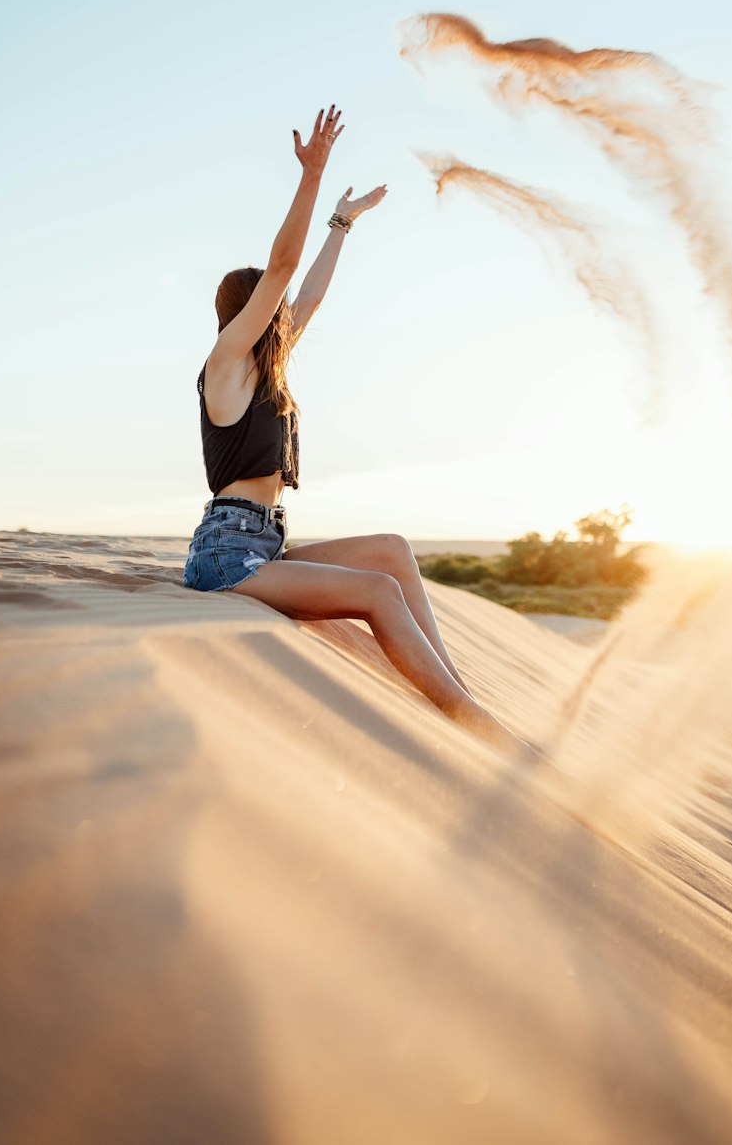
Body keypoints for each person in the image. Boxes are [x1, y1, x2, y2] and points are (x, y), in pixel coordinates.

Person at [183, 104, 542, 762]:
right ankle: (464, 717)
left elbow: (307, 295)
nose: (283, 313)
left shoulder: (264, 370)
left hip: (262, 544)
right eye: (269, 302)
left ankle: (452, 689)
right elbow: (287, 266)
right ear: (246, 309)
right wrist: (312, 174)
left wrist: (343, 222)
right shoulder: (226, 362)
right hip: (227, 558)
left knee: (390, 552)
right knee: (377, 593)